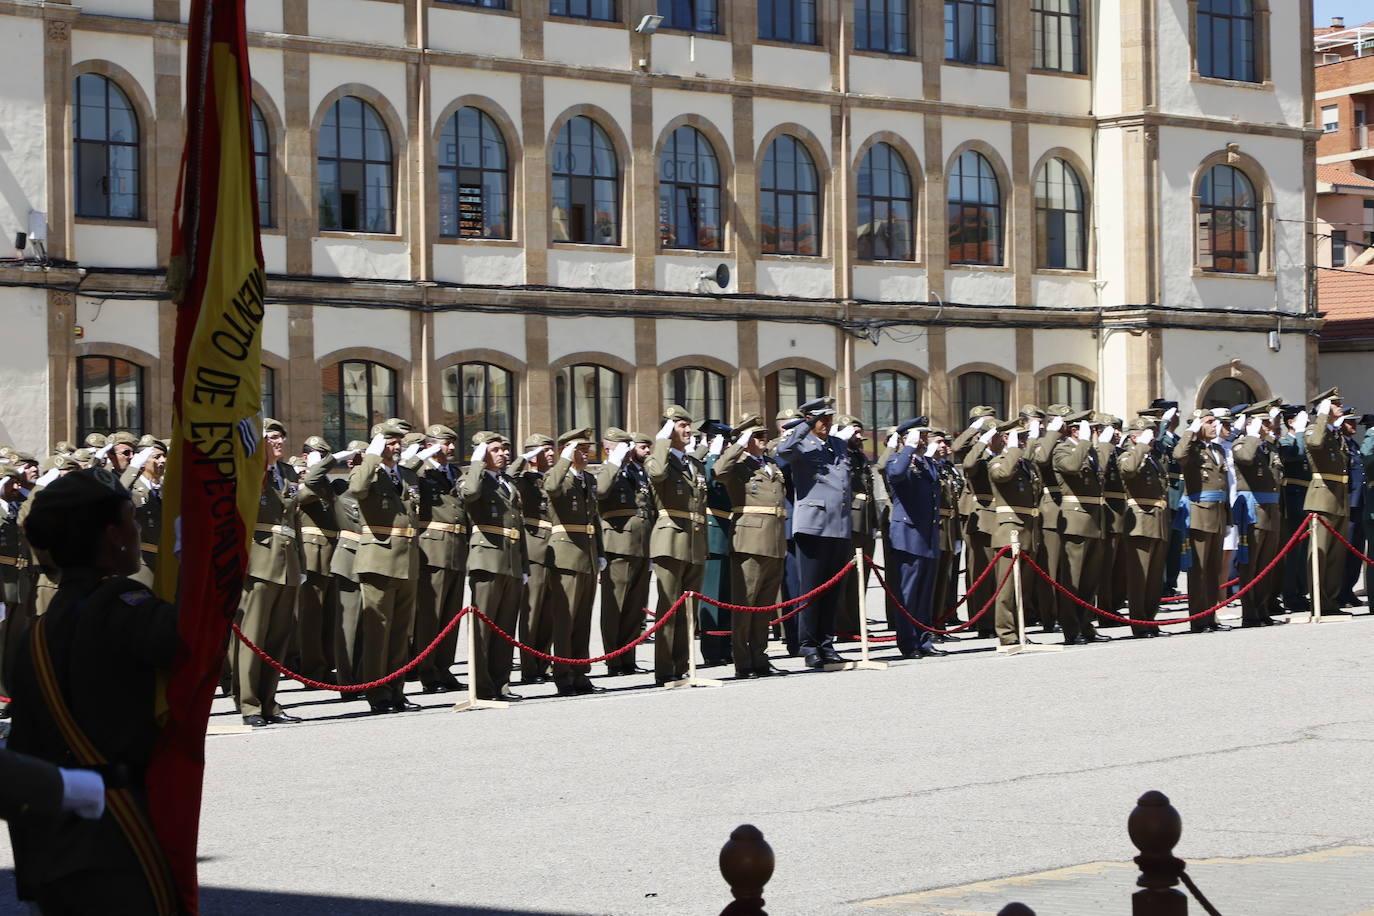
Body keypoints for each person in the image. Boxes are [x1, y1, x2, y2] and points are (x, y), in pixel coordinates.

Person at [5, 468, 179, 912]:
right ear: (112, 536)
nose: (139, 529)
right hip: (120, 836)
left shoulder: (38, 631)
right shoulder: (126, 608)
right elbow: (196, 643)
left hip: (55, 842)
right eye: (131, 519)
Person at [234, 418, 306, 726]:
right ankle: (249, 704)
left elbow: (295, 521)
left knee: (278, 637)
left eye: (281, 437)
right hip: (260, 561)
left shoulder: (287, 472)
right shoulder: (250, 472)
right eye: (272, 437)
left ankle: (268, 701)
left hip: (287, 561)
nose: (279, 441)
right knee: (253, 636)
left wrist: (300, 563)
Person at [349, 420, 423, 714]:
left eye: (397, 442)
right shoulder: (366, 471)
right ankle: (376, 691)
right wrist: (372, 456)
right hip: (378, 559)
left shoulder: (406, 474)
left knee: (401, 632)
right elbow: (356, 489)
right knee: (378, 631)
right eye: (389, 442)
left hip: (407, 560)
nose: (396, 447)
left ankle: (396, 689)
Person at [775, 397, 854, 668]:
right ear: (810, 419)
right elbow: (782, 451)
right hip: (813, 524)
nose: (827, 423)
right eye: (822, 419)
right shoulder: (800, 444)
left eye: (830, 418)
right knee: (811, 589)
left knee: (832, 589)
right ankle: (808, 645)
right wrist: (803, 426)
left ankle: (826, 642)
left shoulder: (838, 445)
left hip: (838, 525)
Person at [714, 416, 789, 678]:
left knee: (764, 605)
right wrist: (738, 445)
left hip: (775, 539)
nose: (763, 439)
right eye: (757, 435)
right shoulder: (738, 463)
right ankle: (742, 661)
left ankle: (760, 656)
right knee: (745, 603)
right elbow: (718, 471)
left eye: (763, 434)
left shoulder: (769, 463)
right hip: (750, 540)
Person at [460, 431, 527, 701]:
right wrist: (476, 463)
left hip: (510, 559)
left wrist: (523, 566)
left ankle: (501, 683)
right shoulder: (471, 478)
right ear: (481, 453)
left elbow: (517, 526)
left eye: (505, 449)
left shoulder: (507, 482)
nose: (503, 453)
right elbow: (470, 494)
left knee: (505, 627)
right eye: (496, 449)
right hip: (486, 559)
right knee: (484, 628)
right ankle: (482, 687)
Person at [645, 405, 709, 685]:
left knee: (688, 609)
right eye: (681, 426)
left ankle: (682, 664)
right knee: (669, 607)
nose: (688, 430)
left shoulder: (692, 463)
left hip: (694, 540)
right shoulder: (660, 459)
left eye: (688, 425)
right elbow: (657, 473)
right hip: (670, 539)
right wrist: (661, 440)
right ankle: (665, 668)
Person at [407, 425, 469, 694]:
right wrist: (420, 456)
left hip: (456, 549)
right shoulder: (420, 471)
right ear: (431, 445)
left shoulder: (454, 473)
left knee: (449, 617)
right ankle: (426, 670)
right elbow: (402, 474)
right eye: (446, 443)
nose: (452, 448)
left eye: (453, 443)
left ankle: (444, 669)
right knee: (429, 618)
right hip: (432, 550)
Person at [544, 428, 604, 696]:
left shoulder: (588, 479)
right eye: (579, 448)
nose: (585, 453)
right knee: (565, 619)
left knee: (582, 619)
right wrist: (564, 461)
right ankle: (563, 674)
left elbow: (594, 519)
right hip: (566, 553)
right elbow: (551, 488)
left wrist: (600, 552)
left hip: (588, 553)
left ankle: (580, 672)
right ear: (566, 451)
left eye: (586, 448)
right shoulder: (558, 475)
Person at [884, 420, 946, 658]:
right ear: (904, 439)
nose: (923, 440)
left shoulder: (926, 462)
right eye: (919, 436)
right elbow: (896, 474)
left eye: (923, 436)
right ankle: (908, 643)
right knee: (908, 593)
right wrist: (907, 448)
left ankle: (923, 640)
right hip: (908, 534)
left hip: (927, 535)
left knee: (923, 593)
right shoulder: (898, 460)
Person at [595, 428, 654, 677]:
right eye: (622, 446)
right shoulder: (606, 471)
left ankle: (628, 656)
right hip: (618, 546)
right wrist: (614, 461)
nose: (628, 451)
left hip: (641, 545)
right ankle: (613, 659)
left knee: (634, 606)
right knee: (615, 606)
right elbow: (600, 491)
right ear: (609, 448)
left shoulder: (637, 471)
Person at [981, 419, 1042, 646]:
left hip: (1027, 529)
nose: (1024, 441)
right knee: (1007, 590)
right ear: (1007, 438)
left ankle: (1020, 631)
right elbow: (1003, 475)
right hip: (1009, 531)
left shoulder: (1026, 465)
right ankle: (1006, 634)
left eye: (1025, 437)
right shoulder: (998, 462)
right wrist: (1014, 448)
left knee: (1022, 589)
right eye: (1020, 437)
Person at [1174, 409, 1232, 633]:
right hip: (1200, 513)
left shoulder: (1216, 449)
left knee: (1213, 569)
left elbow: (1223, 485)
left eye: (1214, 422)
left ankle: (1210, 616)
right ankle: (1198, 619)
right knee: (1198, 569)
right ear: (1198, 426)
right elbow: (1179, 455)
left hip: (1217, 513)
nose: (1214, 425)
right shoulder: (1192, 450)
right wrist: (1190, 432)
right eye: (1209, 422)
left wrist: (1228, 517)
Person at [1231, 401, 1286, 627]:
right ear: (1252, 424)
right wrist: (1252, 435)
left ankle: (1262, 608)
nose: (1268, 426)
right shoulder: (1243, 443)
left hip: (1271, 511)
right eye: (1264, 422)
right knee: (1250, 564)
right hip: (1254, 511)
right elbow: (1245, 458)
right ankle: (1249, 612)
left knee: (1266, 565)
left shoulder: (1268, 447)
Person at [1299, 390, 1352, 616]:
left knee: (1336, 556)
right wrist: (1321, 417)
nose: (1340, 407)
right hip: (1322, 498)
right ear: (1323, 408)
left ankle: (1330, 601)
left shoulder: (1335, 433)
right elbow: (1315, 443)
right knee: (1319, 554)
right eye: (1335, 404)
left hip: (1339, 498)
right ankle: (1318, 602)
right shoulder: (1314, 429)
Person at [1117, 417, 1171, 637]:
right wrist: (1140, 445)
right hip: (1139, 521)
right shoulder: (1128, 454)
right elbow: (1128, 470)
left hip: (1157, 519)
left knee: (1155, 576)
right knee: (1141, 576)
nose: (1152, 437)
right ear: (1133, 436)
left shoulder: (1153, 456)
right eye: (1147, 433)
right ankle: (1139, 622)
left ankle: (1149, 618)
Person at [511, 433, 555, 684]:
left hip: (553, 549)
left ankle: (544, 662)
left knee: (548, 613)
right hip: (535, 548)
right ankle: (529, 667)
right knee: (533, 611)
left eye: (551, 450)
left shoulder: (551, 478)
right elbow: (510, 476)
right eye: (544, 450)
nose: (550, 454)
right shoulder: (523, 480)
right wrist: (522, 459)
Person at [120, 437, 166, 589]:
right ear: (143, 462)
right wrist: (132, 469)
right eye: (156, 457)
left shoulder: (167, 488)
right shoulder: (133, 489)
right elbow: (115, 496)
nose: (163, 460)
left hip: (168, 561)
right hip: (142, 561)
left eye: (164, 456)